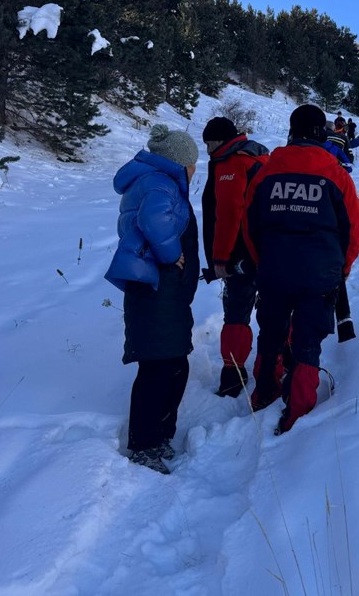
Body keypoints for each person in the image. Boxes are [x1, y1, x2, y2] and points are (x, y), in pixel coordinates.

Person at [243, 104, 359, 434]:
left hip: (273, 271)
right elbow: (353, 230)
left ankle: (264, 393)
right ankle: (296, 413)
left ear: (292, 132)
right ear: (321, 134)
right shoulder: (336, 174)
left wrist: (260, 262)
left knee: (271, 335)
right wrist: (343, 268)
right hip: (320, 275)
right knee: (307, 343)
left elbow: (248, 226)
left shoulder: (265, 173)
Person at [105, 124, 200, 474]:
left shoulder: (155, 180)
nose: (194, 171)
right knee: (159, 367)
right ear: (177, 162)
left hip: (161, 290)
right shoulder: (161, 183)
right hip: (156, 287)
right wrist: (170, 254)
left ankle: (157, 438)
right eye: (192, 164)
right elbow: (153, 220)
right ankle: (145, 444)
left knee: (172, 363)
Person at [200, 116, 269, 398]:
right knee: (272, 310)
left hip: (241, 254)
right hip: (268, 250)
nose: (207, 149)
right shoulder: (257, 156)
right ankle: (276, 363)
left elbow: (229, 214)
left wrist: (220, 260)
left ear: (218, 140)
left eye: (208, 143)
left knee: (237, 314)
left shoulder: (231, 164)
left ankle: (233, 374)